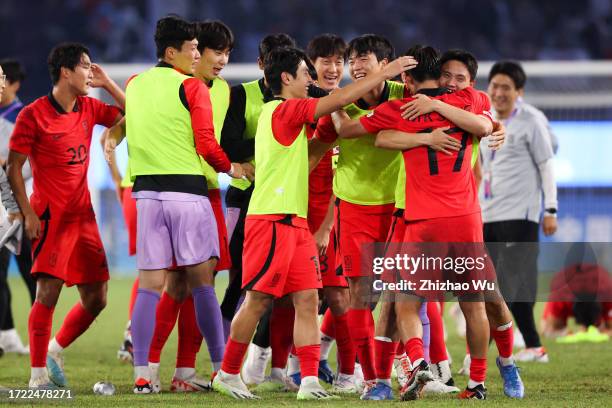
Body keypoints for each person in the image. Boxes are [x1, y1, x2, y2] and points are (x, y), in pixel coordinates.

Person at [211, 46, 417, 400]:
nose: (312, 81)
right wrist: (385, 73)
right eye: (306, 74)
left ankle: (308, 380)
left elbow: (325, 125)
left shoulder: (288, 114)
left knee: (307, 300)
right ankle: (228, 373)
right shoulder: (283, 109)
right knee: (258, 300)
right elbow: (337, 101)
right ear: (287, 78)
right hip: (272, 219)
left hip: (295, 222)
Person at [334, 45, 495, 400]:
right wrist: (443, 114)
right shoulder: (471, 100)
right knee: (475, 304)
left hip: (424, 221)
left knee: (405, 302)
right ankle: (478, 381)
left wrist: (334, 100)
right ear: (440, 76)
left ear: (406, 79)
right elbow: (486, 125)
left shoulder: (398, 108)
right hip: (467, 219)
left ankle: (419, 362)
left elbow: (352, 132)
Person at [103, 15, 244, 394]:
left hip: (147, 196)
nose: (199, 56)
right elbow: (206, 144)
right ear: (172, 52)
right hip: (191, 194)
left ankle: (144, 374)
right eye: (195, 49)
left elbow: (130, 120)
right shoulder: (193, 88)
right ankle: (220, 370)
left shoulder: (136, 83)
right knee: (202, 285)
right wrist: (235, 168)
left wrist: (116, 132)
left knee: (152, 285)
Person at [403, 49, 523, 398]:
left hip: (463, 214)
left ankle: (507, 362)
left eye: (459, 78)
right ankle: (439, 370)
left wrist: (440, 107)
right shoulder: (418, 100)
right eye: (447, 76)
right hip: (426, 215)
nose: (451, 83)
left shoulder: (473, 101)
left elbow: (485, 125)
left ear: (471, 83)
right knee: (415, 301)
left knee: (490, 300)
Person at [7, 43, 125, 389]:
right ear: (65, 72)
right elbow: (14, 167)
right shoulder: (33, 114)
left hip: (83, 216)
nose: (91, 72)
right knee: (48, 292)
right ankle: (37, 375)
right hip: (50, 217)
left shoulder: (88, 106)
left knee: (98, 298)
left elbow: (133, 116)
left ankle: (56, 349)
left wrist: (108, 85)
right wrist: (26, 211)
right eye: (86, 67)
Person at [145, 19, 236, 392]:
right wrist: (116, 132)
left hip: (209, 192)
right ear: (190, 53)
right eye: (215, 52)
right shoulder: (177, 87)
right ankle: (149, 364)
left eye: (227, 54)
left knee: (197, 282)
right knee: (175, 284)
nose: (220, 60)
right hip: (179, 193)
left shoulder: (224, 90)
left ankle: (182, 371)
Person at [314, 34, 407, 395]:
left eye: (363, 59)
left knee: (402, 297)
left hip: (400, 208)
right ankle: (372, 379)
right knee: (361, 296)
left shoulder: (406, 92)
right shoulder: (341, 102)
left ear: (386, 64)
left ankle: (409, 366)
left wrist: (495, 125)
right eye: (353, 60)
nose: (354, 66)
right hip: (354, 209)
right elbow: (317, 147)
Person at [219, 33, 296, 386]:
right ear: (262, 64)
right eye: (271, 59)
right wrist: (272, 131)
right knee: (239, 281)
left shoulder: (300, 97)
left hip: (284, 199)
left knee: (284, 289)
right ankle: (223, 360)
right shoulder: (242, 94)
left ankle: (266, 362)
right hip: (245, 197)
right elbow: (229, 145)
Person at [481, 60, 558, 363]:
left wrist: (550, 209)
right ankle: (486, 350)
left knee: (514, 282)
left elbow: (547, 163)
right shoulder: (484, 118)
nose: (499, 93)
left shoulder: (532, 119)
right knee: (489, 284)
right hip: (487, 213)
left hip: (520, 214)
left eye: (506, 88)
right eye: (495, 86)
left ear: (519, 92)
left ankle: (534, 346)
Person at [0, 59, 32, 355]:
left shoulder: (23, 116)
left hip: (21, 207)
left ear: (14, 84)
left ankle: (41, 333)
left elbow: (29, 165)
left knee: (30, 271)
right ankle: (7, 333)